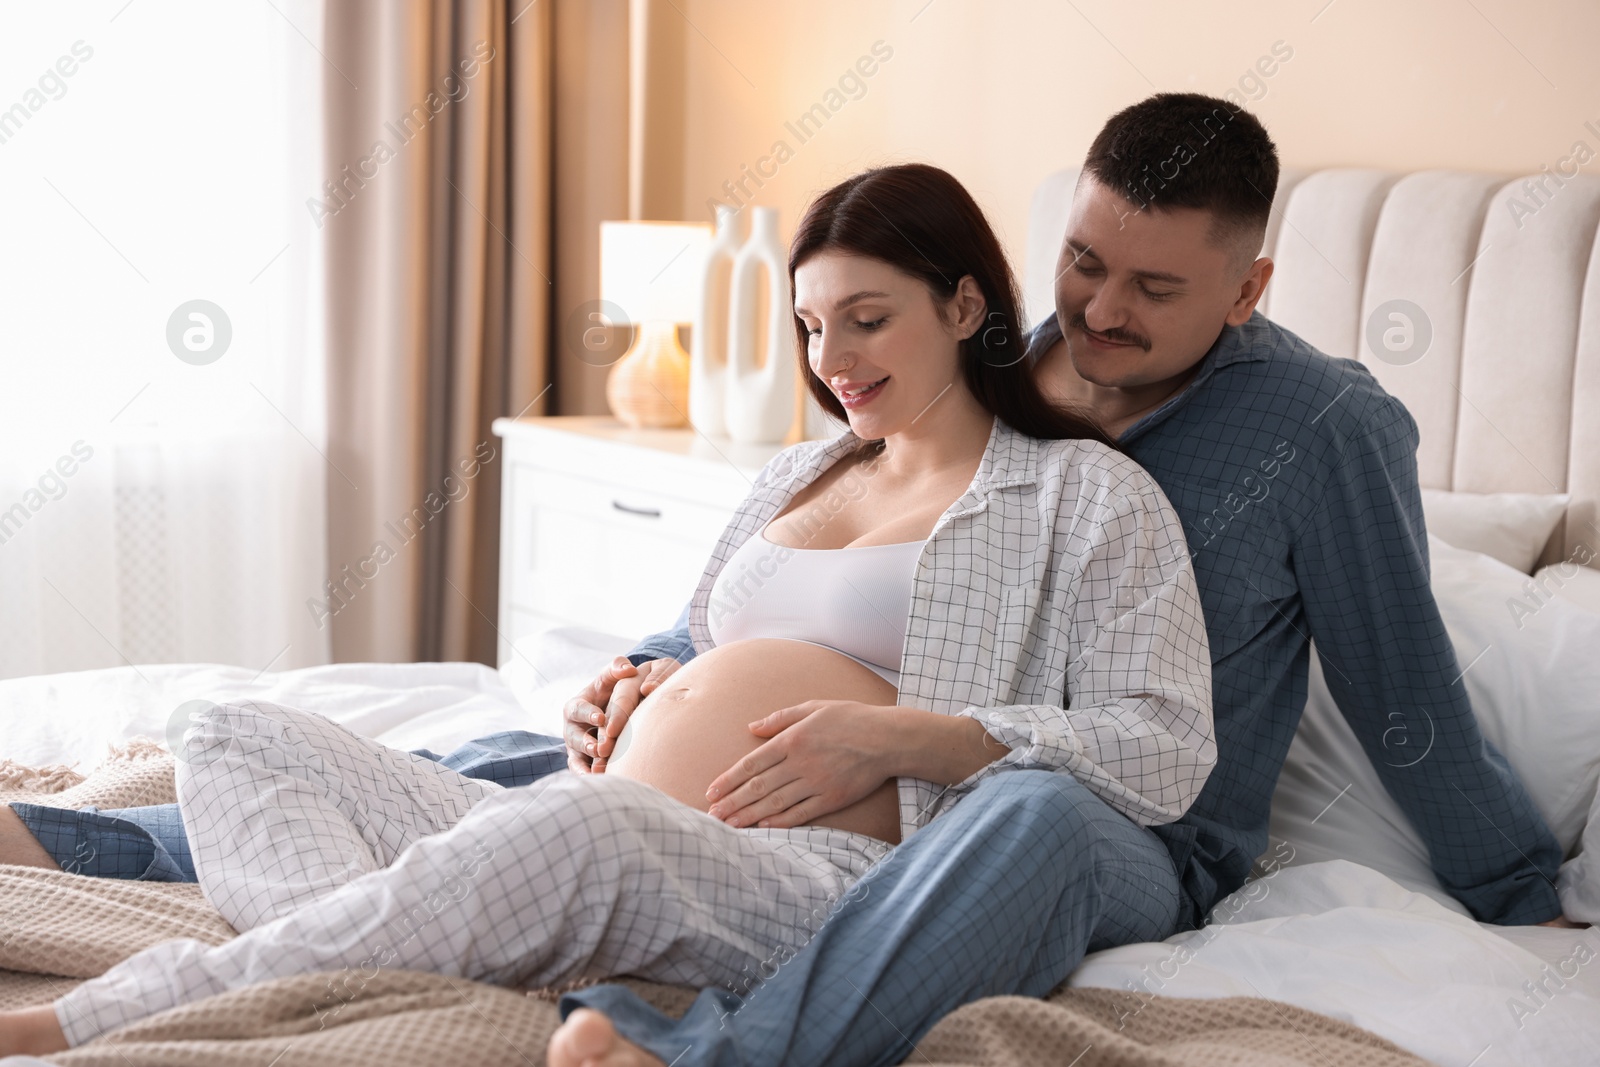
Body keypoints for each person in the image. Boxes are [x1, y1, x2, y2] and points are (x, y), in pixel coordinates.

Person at [0, 162, 1214, 1058]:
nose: (831, 354)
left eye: (866, 316)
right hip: (597, 803)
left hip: (810, 864)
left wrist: (917, 735)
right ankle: (424, 948)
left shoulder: (1079, 495)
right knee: (228, 728)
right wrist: (631, 680)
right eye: (808, 323)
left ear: (961, 306)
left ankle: (112, 1012)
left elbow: (1165, 742)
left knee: (586, 836)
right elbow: (698, 642)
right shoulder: (798, 472)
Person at [542, 93, 1581, 1067]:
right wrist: (653, 669)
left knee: (1031, 810)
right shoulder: (989, 363)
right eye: (1083, 261)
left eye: (1155, 287)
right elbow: (826, 581)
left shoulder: (1321, 429)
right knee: (510, 754)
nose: (1099, 310)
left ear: (1247, 288)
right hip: (877, 783)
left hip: (1118, 824)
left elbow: (1402, 686)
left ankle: (717, 1052)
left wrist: (1520, 890)